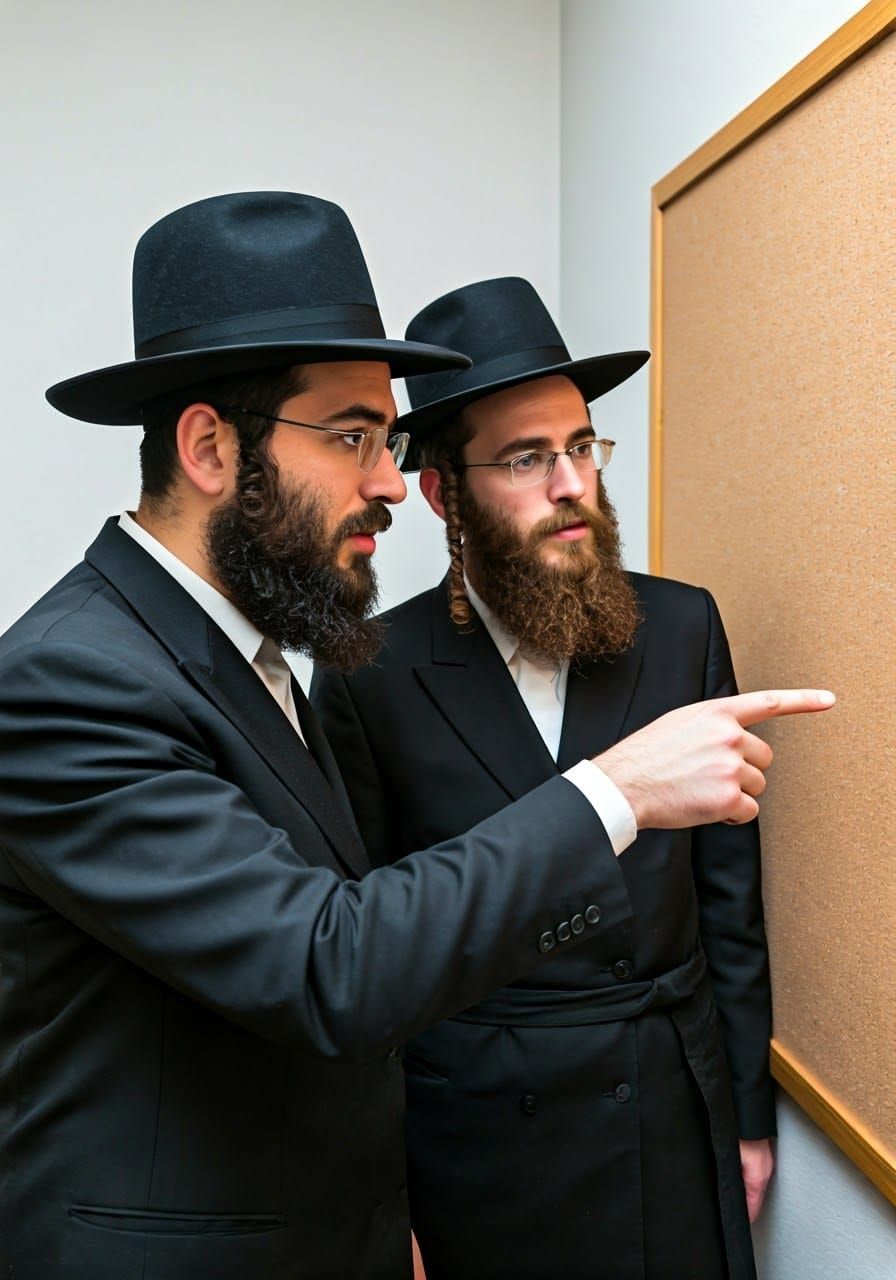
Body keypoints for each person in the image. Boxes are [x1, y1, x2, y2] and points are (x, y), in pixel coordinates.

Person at [0, 203, 827, 1280]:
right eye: (352, 436)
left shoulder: (245, 661)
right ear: (209, 446)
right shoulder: (71, 678)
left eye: (386, 442)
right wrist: (611, 790)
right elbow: (330, 958)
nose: (387, 481)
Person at [312, 277, 800, 1280]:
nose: (571, 482)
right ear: (445, 492)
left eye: (580, 446)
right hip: (481, 1141)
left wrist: (746, 1116)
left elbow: (728, 904)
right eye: (527, 458)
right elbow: (365, 954)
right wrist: (377, 1196)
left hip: (665, 1112)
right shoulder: (369, 669)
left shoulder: (680, 627)